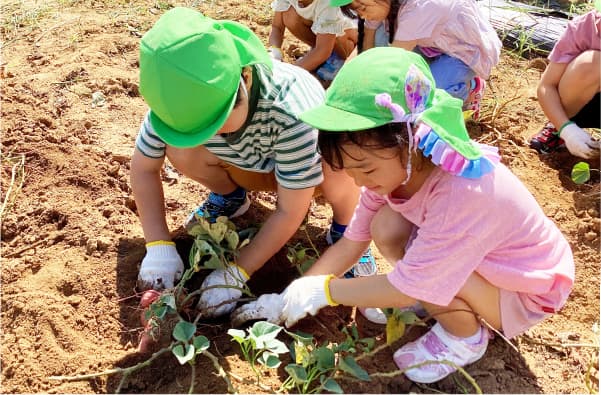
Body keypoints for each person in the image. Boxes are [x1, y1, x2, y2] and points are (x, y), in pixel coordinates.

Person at [231, 47, 574, 384]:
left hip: (526, 288)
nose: (357, 181)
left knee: (432, 276)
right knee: (387, 224)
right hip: (484, 261)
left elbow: (408, 288)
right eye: (349, 169)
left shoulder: (461, 194)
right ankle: (443, 301)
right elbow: (351, 244)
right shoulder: (399, 174)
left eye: (365, 168)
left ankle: (465, 338)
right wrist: (297, 291)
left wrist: (327, 293)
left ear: (408, 141)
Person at [132, 7, 376, 318]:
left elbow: (291, 209)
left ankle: (346, 229)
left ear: (244, 77)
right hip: (244, 166)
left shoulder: (291, 112)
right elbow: (143, 167)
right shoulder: (177, 103)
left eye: (218, 123)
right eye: (197, 129)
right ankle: (231, 198)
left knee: (337, 162)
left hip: (307, 175)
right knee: (181, 149)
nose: (210, 135)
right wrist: (158, 247)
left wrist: (238, 272)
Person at [334, 0, 502, 120]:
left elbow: (392, 64)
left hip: (463, 50)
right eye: (357, 11)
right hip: (432, 43)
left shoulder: (420, 8)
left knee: (426, 99)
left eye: (362, 7)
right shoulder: (381, 5)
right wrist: (342, 84)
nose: (361, 14)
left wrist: (366, 97)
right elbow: (365, 45)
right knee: (378, 35)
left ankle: (469, 88)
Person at [529, 1, 600, 159]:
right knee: (591, 62)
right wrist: (567, 130)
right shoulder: (583, 28)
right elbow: (547, 86)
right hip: (582, 104)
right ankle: (557, 128)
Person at [268, 0, 358, 80]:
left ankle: (337, 61)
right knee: (289, 15)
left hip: (345, 37)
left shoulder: (328, 4)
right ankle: (317, 57)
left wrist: (291, 71)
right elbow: (277, 27)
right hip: (324, 37)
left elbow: (323, 50)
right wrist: (275, 52)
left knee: (337, 37)